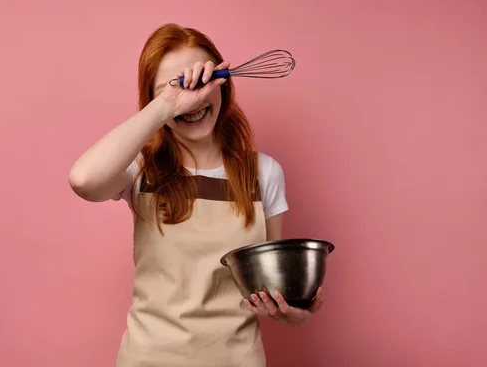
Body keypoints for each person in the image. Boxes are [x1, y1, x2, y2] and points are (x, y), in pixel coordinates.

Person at [68, 23, 324, 367]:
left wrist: (292, 311)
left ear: (223, 83)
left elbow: (271, 285)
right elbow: (84, 180)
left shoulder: (265, 174)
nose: (193, 100)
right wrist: (164, 106)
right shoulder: (140, 168)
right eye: (172, 90)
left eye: (202, 82)